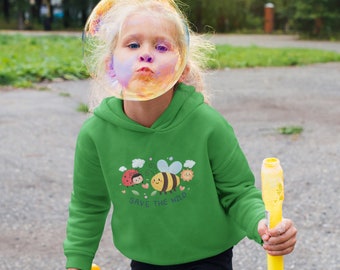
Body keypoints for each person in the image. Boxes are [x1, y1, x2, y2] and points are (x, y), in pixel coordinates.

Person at [63, 0, 297, 269]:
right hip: (145, 259)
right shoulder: (96, 134)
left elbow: (239, 192)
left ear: (182, 67)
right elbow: (87, 205)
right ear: (110, 64)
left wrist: (263, 225)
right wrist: (77, 263)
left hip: (209, 257)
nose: (146, 55)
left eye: (161, 47)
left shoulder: (207, 124)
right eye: (133, 45)